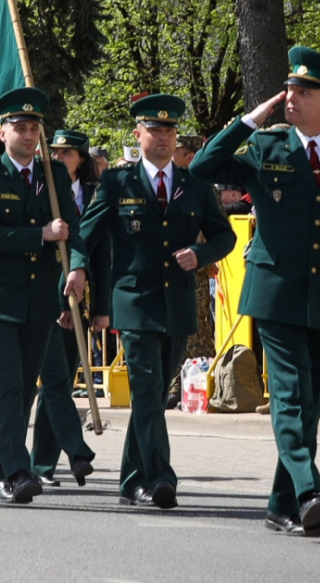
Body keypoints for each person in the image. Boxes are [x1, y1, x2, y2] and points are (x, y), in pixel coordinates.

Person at [190, 46, 320, 537]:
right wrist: (247, 121)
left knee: (311, 401)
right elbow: (203, 169)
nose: (292, 97)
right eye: (290, 89)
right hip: (274, 291)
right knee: (291, 394)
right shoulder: (265, 146)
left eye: (304, 91)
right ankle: (308, 489)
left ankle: (281, 506)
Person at [77, 94, 234, 507]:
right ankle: (161, 478)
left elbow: (226, 235)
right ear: (138, 134)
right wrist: (76, 269)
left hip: (178, 305)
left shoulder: (195, 186)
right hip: (134, 303)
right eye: (154, 130)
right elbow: (86, 236)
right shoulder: (117, 183)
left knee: (155, 396)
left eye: (169, 131)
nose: (163, 138)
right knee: (147, 393)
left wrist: (200, 254)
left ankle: (131, 479)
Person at [0, 87, 86, 504]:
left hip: (38, 300)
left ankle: (3, 474)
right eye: (20, 127)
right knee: (9, 385)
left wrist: (79, 266)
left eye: (35, 127)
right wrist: (41, 235)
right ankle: (17, 471)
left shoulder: (52, 175)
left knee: (27, 388)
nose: (29, 134)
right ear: (3, 131)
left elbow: (74, 228)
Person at [27, 127, 102, 487]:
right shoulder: (41, 191)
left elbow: (101, 254)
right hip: (46, 300)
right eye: (54, 152)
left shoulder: (95, 195)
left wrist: (99, 307)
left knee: (59, 383)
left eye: (65, 153)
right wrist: (60, 300)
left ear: (81, 159)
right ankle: (65, 455)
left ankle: (42, 464)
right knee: (52, 381)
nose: (57, 157)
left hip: (81, 303)